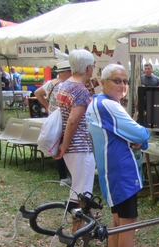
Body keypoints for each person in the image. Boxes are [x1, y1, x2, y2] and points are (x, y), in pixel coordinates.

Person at [87, 63, 152, 247]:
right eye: (117, 80)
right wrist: (144, 139)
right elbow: (140, 132)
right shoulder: (108, 105)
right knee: (127, 225)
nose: (122, 85)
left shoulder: (97, 103)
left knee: (117, 222)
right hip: (122, 173)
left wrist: (139, 140)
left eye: (125, 81)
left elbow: (131, 135)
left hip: (111, 172)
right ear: (102, 82)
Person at [53, 49, 96, 228]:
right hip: (79, 147)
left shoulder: (64, 84)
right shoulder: (79, 89)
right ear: (88, 68)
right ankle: (78, 236)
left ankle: (80, 233)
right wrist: (65, 144)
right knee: (82, 194)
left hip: (72, 148)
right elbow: (72, 120)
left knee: (78, 190)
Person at [34, 60, 73, 185]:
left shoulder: (50, 83)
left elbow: (37, 93)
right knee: (66, 145)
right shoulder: (67, 85)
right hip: (65, 119)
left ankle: (63, 176)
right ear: (67, 72)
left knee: (57, 145)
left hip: (53, 119)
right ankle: (69, 174)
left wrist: (47, 106)